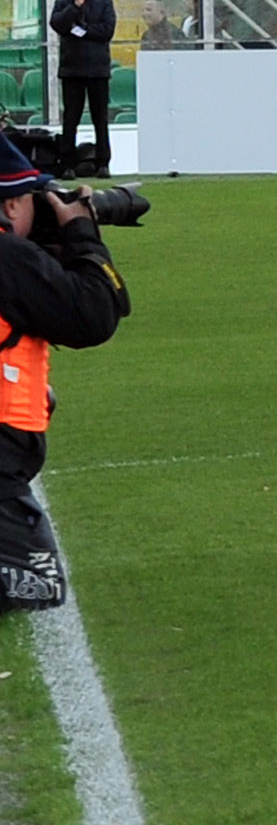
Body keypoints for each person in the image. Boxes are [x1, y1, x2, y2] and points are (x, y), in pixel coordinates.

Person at [0, 142, 125, 608]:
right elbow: (94, 315)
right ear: (12, 204)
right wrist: (81, 235)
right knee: (36, 584)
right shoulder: (9, 257)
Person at [42, 0, 113, 175]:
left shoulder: (104, 3)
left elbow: (107, 31)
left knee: (100, 119)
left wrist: (83, 30)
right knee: (71, 119)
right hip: (72, 70)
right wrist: (75, 7)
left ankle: (103, 163)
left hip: (98, 70)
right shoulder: (63, 3)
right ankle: (67, 165)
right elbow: (57, 24)